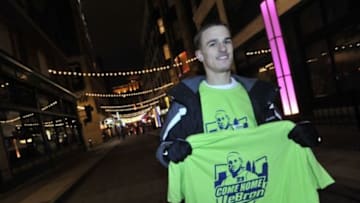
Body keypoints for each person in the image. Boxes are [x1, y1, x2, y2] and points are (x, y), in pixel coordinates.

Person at [156, 21, 321, 167]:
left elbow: (281, 135)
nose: (223, 49)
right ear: (200, 55)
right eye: (213, 44)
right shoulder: (187, 102)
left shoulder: (257, 95)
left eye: (226, 41)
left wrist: (301, 134)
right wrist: (170, 152)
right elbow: (165, 147)